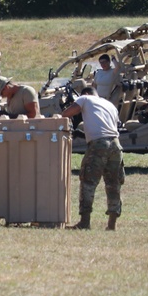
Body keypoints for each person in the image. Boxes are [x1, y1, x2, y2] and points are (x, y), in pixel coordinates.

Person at [62, 86, 123, 230]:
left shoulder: (85, 98)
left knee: (88, 181)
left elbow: (66, 113)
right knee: (113, 184)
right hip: (116, 144)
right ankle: (111, 225)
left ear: (87, 94)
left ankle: (84, 222)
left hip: (98, 144)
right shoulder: (110, 105)